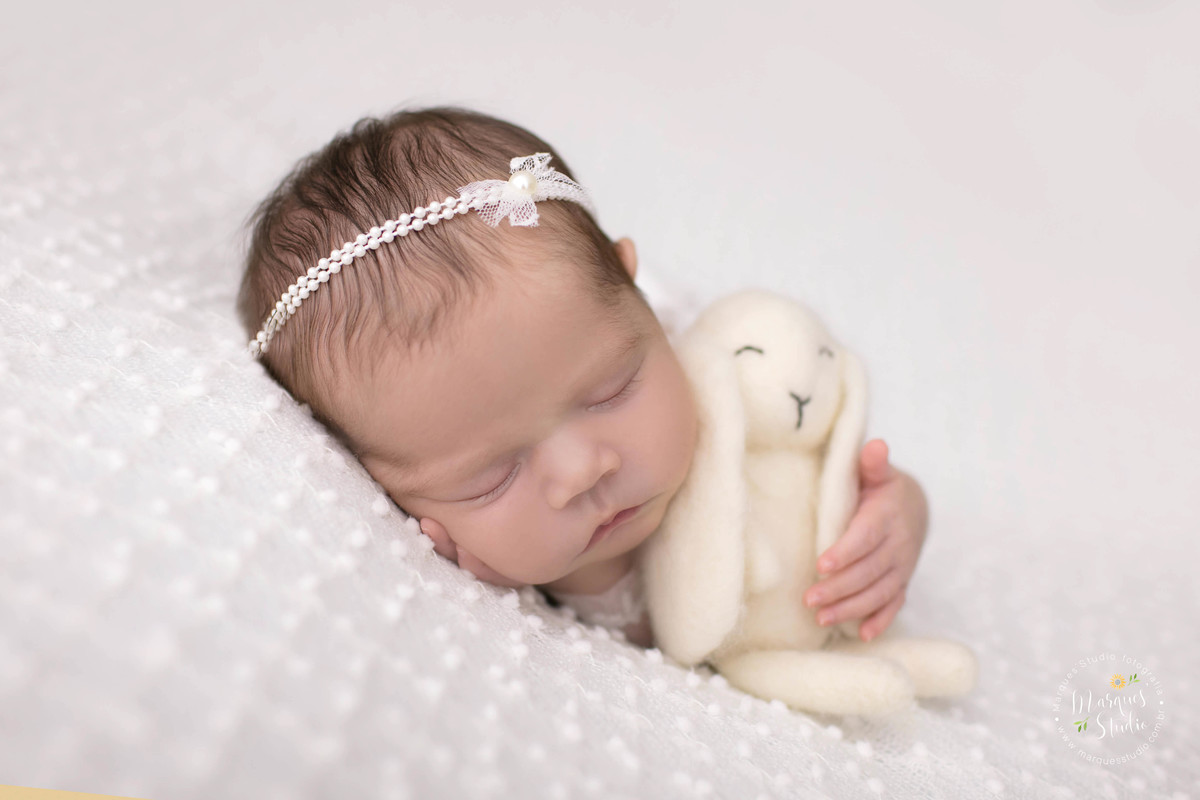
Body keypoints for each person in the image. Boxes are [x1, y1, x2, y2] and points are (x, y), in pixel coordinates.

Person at [235, 105, 929, 650]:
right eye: (490, 477)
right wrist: (558, 578)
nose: (582, 473)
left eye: (610, 390)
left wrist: (894, 516)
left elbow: (818, 452)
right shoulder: (485, 576)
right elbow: (653, 627)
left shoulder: (709, 360)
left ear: (641, 299)